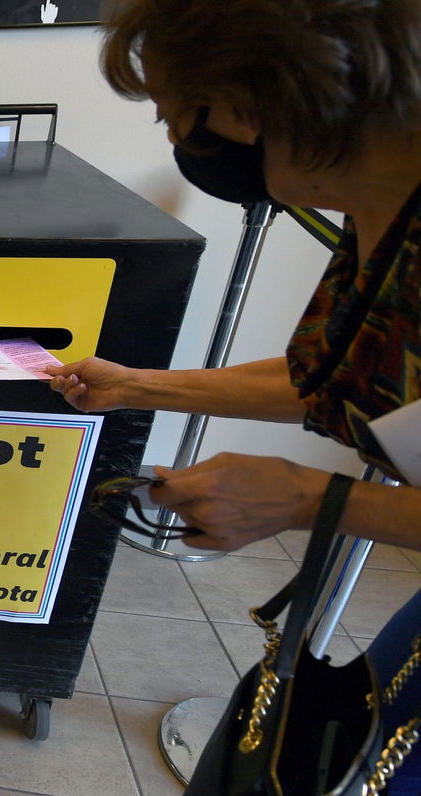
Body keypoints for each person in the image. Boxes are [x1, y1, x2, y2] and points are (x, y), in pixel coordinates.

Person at [46, 0, 421, 790]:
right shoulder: (377, 211)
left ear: (256, 99)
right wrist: (137, 385)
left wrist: (311, 501)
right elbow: (330, 378)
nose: (180, 139)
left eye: (178, 112)